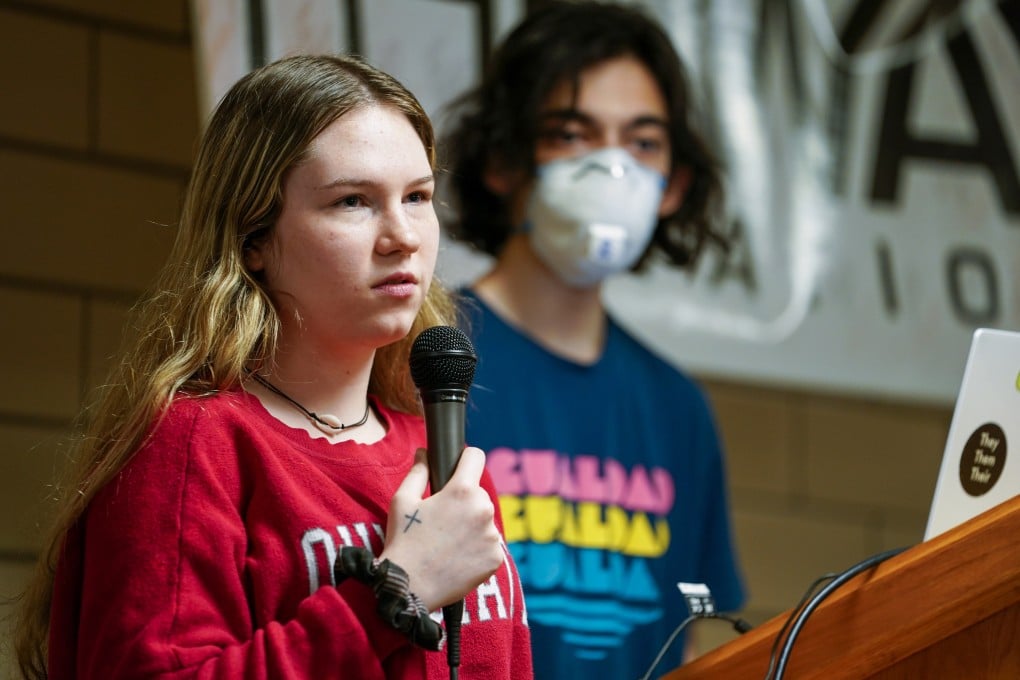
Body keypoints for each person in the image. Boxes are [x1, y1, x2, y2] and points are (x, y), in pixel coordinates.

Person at [12, 54, 531, 679]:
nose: (404, 236)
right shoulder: (193, 445)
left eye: (418, 197)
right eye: (352, 202)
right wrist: (395, 592)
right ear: (254, 236)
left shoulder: (443, 462)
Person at [440, 1, 746, 677]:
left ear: (675, 185)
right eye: (572, 133)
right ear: (502, 159)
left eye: (642, 143)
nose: (613, 170)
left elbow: (688, 643)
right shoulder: (427, 356)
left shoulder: (679, 410)